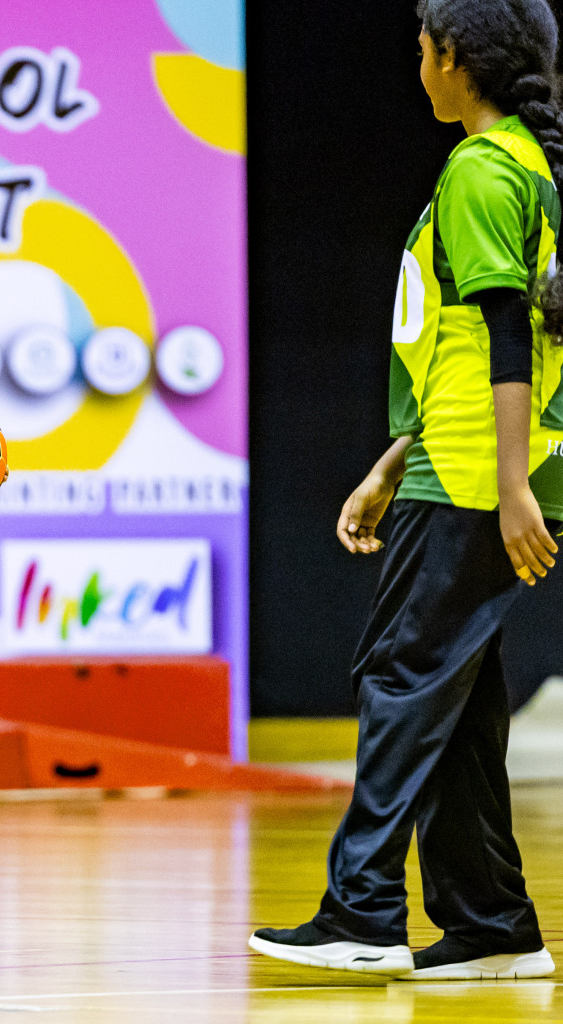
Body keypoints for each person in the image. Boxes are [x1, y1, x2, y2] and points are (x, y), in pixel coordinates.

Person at [249, 0, 563, 982]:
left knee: (398, 674)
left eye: (420, 50)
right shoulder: (525, 164)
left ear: (454, 57)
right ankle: (490, 924)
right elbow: (461, 346)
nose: (414, 67)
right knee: (453, 697)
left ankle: (363, 908)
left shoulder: (482, 167)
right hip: (469, 459)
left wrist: (508, 483)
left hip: (477, 468)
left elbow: (507, 333)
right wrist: (391, 464)